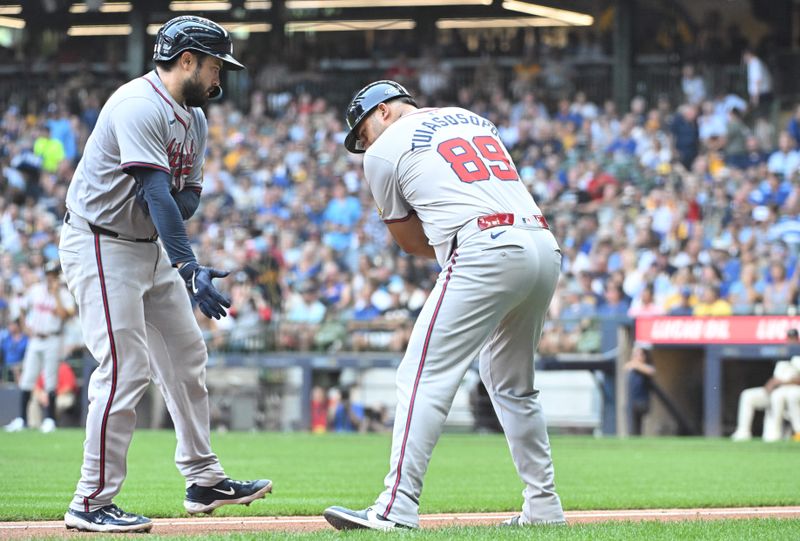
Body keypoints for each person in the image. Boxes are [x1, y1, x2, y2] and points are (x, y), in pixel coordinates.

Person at [56, 16, 270, 533]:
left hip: (148, 247)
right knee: (125, 368)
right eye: (216, 64)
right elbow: (156, 193)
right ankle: (90, 501)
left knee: (186, 355)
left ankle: (203, 479)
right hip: (101, 244)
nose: (221, 78)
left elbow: (186, 197)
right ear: (188, 60)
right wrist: (188, 264)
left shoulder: (193, 118)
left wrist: (175, 240)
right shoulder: (138, 103)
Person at [323, 81, 565, 530]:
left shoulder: (383, 150)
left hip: (484, 247)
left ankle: (396, 508)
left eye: (363, 132)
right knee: (513, 387)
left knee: (421, 376)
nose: (364, 145)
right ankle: (544, 507)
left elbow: (411, 240)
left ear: (383, 112)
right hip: (542, 245)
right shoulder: (475, 120)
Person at [4, 260, 75, 434]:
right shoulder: (36, 290)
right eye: (48, 275)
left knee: (51, 379)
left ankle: (50, 420)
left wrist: (56, 293)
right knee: (28, 377)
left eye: (53, 275)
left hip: (52, 337)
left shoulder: (64, 294)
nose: (50, 278)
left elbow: (64, 315)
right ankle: (22, 419)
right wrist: (24, 325)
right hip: (35, 338)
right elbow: (20, 305)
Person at [731, 328, 800, 442]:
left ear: (797, 340)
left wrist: (781, 383)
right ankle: (743, 432)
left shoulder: (798, 354)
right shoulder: (783, 354)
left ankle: (774, 435)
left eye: (793, 338)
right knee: (748, 395)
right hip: (777, 389)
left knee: (778, 396)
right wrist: (770, 383)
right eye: (789, 338)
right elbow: (778, 376)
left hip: (791, 390)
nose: (790, 341)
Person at [624, 344, 656, 435]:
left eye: (639, 354)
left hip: (642, 401)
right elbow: (626, 366)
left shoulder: (645, 367)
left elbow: (650, 371)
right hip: (632, 401)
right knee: (632, 429)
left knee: (638, 425)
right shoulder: (632, 368)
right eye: (635, 355)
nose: (636, 357)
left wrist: (635, 364)